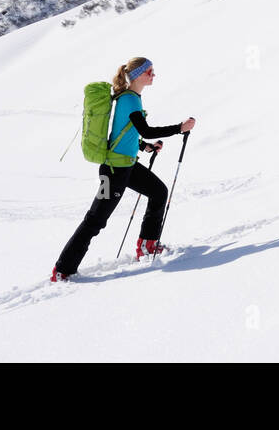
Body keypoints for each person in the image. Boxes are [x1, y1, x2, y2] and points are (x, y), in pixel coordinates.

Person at [52, 57, 195, 281]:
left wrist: (145, 147)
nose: (153, 75)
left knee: (159, 192)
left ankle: (148, 245)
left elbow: (125, 131)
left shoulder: (132, 98)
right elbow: (145, 129)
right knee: (95, 220)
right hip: (113, 172)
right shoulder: (129, 100)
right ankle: (63, 269)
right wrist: (179, 128)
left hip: (127, 166)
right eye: (150, 72)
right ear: (138, 75)